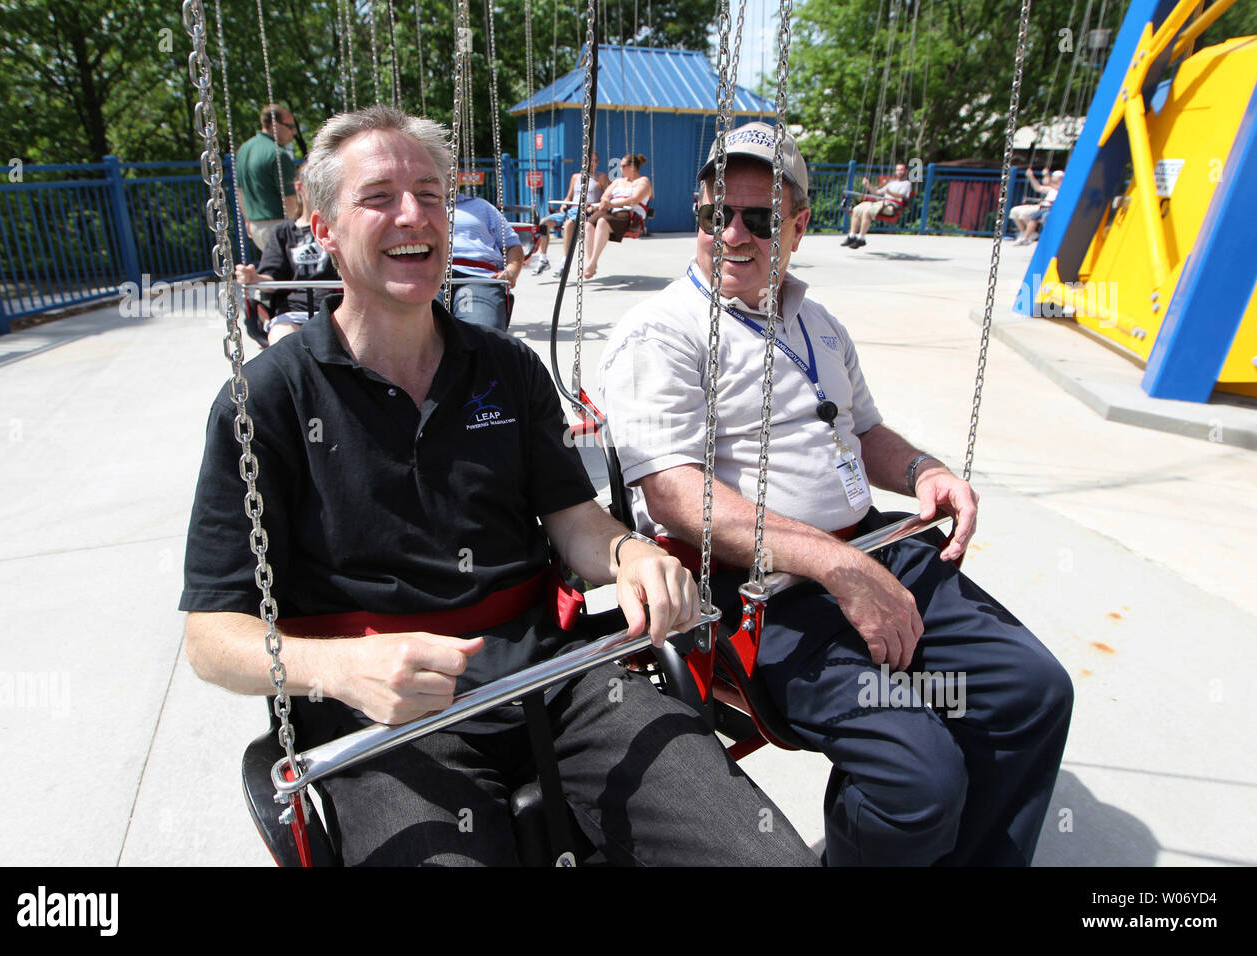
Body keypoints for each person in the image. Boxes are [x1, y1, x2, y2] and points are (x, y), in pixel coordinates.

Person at [180, 105, 816, 867]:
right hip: (383, 722)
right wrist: (336, 668)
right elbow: (211, 636)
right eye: (378, 196)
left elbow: (573, 519)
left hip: (556, 680)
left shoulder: (506, 369)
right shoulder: (267, 404)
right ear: (322, 229)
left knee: (762, 856)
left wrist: (627, 555)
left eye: (431, 193)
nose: (413, 214)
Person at [598, 121, 1074, 866]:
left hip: (880, 548)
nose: (731, 234)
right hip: (767, 594)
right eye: (713, 214)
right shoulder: (662, 333)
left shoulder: (818, 321)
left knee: (1032, 691)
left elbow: (865, 431)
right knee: (917, 777)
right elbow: (675, 495)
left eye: (757, 219)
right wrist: (835, 567)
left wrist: (923, 471)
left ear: (797, 226)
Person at [235, 167, 339, 344]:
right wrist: (254, 277)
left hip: (338, 308)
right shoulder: (283, 232)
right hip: (294, 311)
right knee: (282, 340)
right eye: (314, 185)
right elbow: (270, 280)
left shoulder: (339, 229)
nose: (320, 191)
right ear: (299, 188)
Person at [448, 190, 524, 331]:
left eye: (454, 167)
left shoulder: (482, 207)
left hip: (478, 276)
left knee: (481, 334)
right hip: (430, 275)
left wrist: (512, 270)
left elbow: (513, 245)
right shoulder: (415, 207)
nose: (449, 171)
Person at [529, 152, 610, 277]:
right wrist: (563, 204)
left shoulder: (601, 177)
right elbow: (569, 196)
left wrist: (598, 207)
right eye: (589, 161)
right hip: (572, 209)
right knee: (544, 223)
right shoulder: (575, 177)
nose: (592, 164)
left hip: (587, 211)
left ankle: (565, 262)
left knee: (568, 224)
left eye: (595, 161)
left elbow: (607, 197)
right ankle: (543, 258)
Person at [235, 104, 299, 253]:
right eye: (290, 126)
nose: (293, 132)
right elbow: (289, 199)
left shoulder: (243, 150)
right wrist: (297, 229)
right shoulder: (278, 154)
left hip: (255, 226)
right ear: (275, 125)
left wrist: (247, 220)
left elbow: (239, 190)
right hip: (279, 225)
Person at [581, 153, 652, 279]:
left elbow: (634, 200)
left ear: (632, 167)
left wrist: (611, 205)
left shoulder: (643, 181)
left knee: (602, 222)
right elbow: (606, 195)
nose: (620, 168)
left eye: (622, 165)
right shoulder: (618, 181)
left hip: (630, 214)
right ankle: (591, 261)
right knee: (588, 225)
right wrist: (605, 201)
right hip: (612, 210)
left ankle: (592, 263)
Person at [843, 162, 913, 248]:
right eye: (898, 170)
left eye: (901, 169)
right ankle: (852, 236)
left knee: (867, 212)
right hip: (882, 203)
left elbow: (901, 196)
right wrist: (868, 185)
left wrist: (890, 193)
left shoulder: (907, 184)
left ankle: (861, 238)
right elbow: (877, 192)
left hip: (892, 206)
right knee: (856, 209)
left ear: (906, 171)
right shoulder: (891, 183)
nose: (899, 172)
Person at [1010, 168, 1063, 245]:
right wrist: (1031, 176)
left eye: (1055, 177)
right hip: (1041, 206)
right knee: (1014, 211)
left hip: (1049, 207)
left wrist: (1046, 175)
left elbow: (1048, 182)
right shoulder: (1052, 188)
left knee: (1026, 213)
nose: (1053, 178)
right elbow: (1038, 188)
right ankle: (1025, 233)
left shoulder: (1061, 188)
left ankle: (1028, 235)